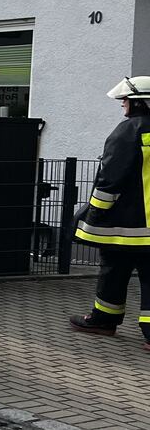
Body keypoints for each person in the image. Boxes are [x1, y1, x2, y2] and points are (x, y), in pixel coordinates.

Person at [69, 75, 150, 345]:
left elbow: (110, 179)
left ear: (139, 103)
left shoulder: (129, 131)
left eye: (126, 99)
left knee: (113, 269)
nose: (122, 104)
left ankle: (103, 321)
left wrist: (94, 211)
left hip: (126, 226)